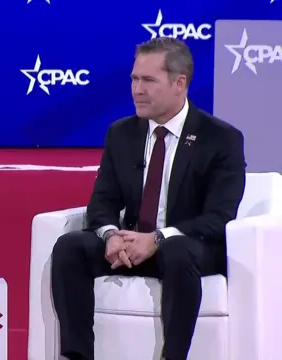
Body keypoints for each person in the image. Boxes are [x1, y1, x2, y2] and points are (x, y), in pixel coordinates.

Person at [51, 37, 246, 360]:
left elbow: (219, 217)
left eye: (148, 80)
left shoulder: (220, 138)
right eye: (134, 79)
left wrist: (156, 238)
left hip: (186, 249)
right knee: (71, 247)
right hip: (129, 249)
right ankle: (77, 355)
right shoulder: (121, 133)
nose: (136, 89)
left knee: (177, 250)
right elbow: (102, 203)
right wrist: (111, 235)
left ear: (179, 83)